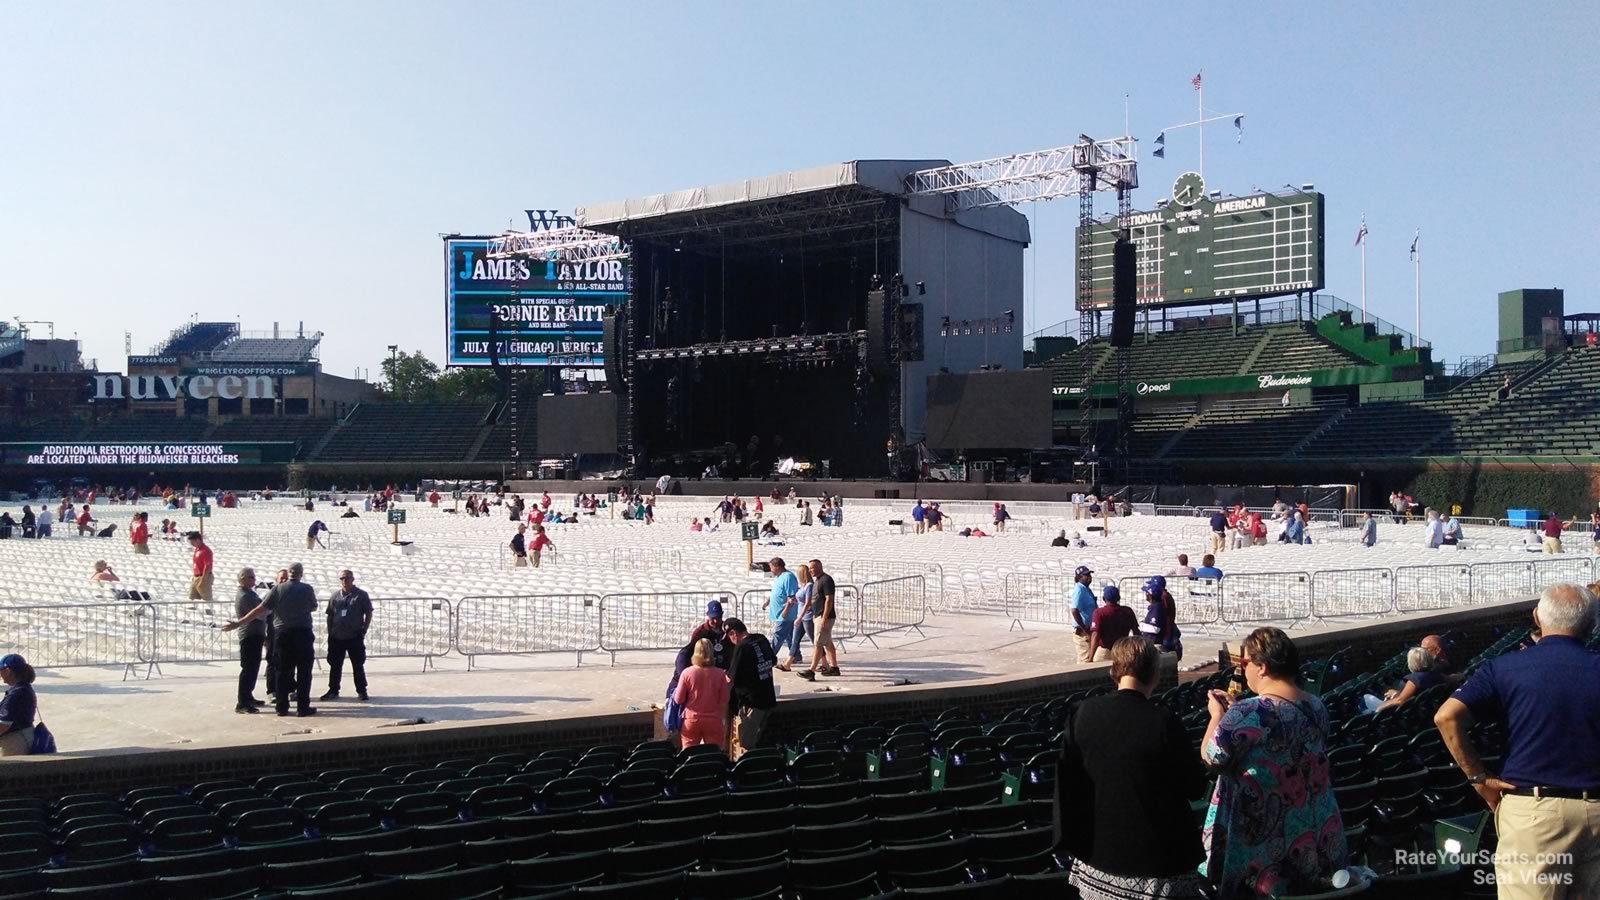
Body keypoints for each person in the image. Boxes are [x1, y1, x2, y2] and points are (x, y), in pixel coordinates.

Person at [1434, 584, 1600, 897]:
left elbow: (1446, 717)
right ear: (1591, 624)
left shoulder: (1504, 667)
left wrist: (1479, 779)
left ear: (1537, 617)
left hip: (1534, 812)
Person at [1055, 636, 1210, 900]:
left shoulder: (1081, 713)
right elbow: (1195, 788)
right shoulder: (1163, 722)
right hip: (1157, 868)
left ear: (1114, 670)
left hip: (1096, 858)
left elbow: (1067, 783)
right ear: (1154, 674)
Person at [1201, 627, 1346, 897]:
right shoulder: (1317, 706)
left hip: (1264, 846)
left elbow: (1212, 756)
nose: (1243, 670)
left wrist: (1216, 716)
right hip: (1313, 833)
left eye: (1245, 663)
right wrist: (1236, 714)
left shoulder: (1250, 710)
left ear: (1262, 667)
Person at [226, 562, 318, 717]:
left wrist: (238, 623)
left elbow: (260, 609)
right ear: (301, 574)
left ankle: (282, 707)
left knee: (282, 671)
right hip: (302, 633)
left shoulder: (277, 589)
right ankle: (303, 707)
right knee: (304, 672)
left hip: (282, 634)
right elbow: (313, 607)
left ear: (289, 573)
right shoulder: (307, 589)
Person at [723, 618, 777, 759]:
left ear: (733, 633)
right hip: (768, 698)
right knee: (759, 739)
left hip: (752, 702)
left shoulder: (742, 647)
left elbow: (730, 677)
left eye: (729, 636)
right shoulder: (761, 639)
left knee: (746, 744)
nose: (730, 641)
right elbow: (773, 661)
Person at [322, 569, 372, 702]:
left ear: (353, 579)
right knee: (335, 665)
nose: (344, 581)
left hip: (354, 635)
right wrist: (330, 631)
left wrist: (364, 629)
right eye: (342, 578)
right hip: (337, 636)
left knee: (357, 664)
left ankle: (362, 690)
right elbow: (330, 615)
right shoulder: (335, 596)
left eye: (347, 578)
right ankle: (333, 689)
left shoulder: (361, 595)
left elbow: (368, 612)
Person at [673, 638, 730, 750]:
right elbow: (725, 699)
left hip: (691, 719)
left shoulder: (687, 673)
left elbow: (678, 699)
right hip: (713, 719)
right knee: (713, 754)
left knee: (688, 755)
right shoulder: (719, 674)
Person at [1363, 647, 1445, 713]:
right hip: (1421, 708)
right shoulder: (1437, 675)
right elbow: (1412, 694)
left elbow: (1401, 700)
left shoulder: (1415, 679)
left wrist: (1381, 706)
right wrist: (1396, 693)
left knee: (1365, 698)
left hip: (1403, 711)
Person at [232, 568, 267, 714]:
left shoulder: (250, 593)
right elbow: (259, 613)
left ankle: (248, 696)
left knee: (253, 668)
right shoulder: (245, 596)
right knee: (248, 668)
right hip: (249, 634)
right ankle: (242, 702)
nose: (254, 580)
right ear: (242, 579)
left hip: (255, 633)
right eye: (251, 578)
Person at [1085, 585, 1138, 663]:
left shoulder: (1099, 613)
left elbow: (1095, 635)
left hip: (1104, 652)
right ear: (1119, 598)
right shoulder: (1128, 611)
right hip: (1122, 650)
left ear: (1104, 599)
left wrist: (1090, 657)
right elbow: (1136, 631)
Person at [0, 654, 39, 757]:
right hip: (23, 737)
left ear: (7, 671)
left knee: (11, 771)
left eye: (0, 670)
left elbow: (3, 725)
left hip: (16, 742)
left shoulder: (16, 693)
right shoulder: (23, 688)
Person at [766, 558, 801, 671]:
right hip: (780, 613)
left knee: (778, 635)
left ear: (777, 566)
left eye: (771, 567)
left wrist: (786, 610)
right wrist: (768, 602)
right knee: (790, 636)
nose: (770, 570)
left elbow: (791, 596)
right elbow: (776, 592)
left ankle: (769, 657)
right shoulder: (778, 577)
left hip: (785, 614)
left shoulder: (788, 577)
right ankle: (796, 655)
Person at [1139, 576, 1182, 662]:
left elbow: (1158, 624)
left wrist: (1142, 625)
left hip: (1163, 636)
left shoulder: (1162, 599)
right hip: (1164, 633)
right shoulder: (1163, 598)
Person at [1070, 565, 1098, 664]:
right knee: (1085, 661)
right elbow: (1074, 610)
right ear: (1079, 577)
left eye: (1089, 574)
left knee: (1086, 659)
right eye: (1086, 575)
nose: (1089, 577)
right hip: (1083, 632)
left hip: (1088, 630)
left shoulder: (1086, 588)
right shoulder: (1079, 589)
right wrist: (1085, 629)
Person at [187, 531, 214, 602]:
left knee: (207, 600)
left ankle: (208, 612)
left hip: (203, 577)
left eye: (192, 542)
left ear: (197, 540)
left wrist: (203, 580)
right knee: (191, 598)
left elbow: (208, 566)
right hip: (196, 577)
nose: (192, 544)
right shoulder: (197, 549)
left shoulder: (206, 551)